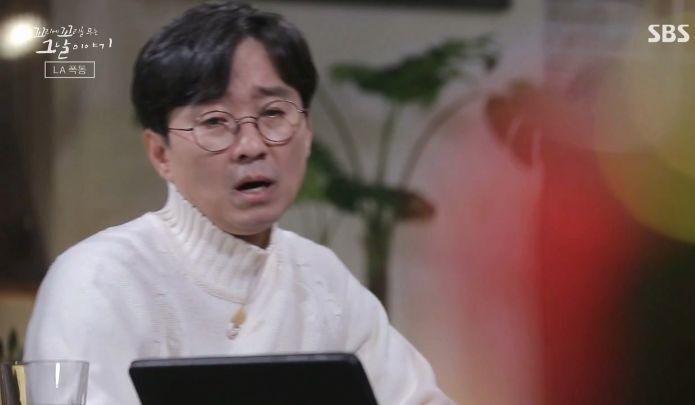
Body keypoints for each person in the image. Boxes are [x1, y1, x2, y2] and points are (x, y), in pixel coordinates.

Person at [23, 2, 453, 404]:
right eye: (215, 121)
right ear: (160, 153)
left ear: (306, 133)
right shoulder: (97, 281)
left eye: (273, 114)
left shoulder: (324, 280)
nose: (251, 145)